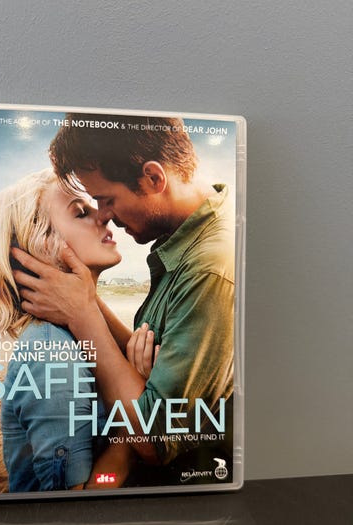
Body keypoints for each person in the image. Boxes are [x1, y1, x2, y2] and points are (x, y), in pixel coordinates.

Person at [12, 113, 235, 485]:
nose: (104, 215)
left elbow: (155, 438)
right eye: (86, 208)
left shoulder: (209, 267)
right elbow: (174, 352)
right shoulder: (191, 236)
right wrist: (85, 302)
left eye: (106, 199)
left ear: (153, 178)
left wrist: (84, 315)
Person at [0, 168, 122, 492]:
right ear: (41, 245)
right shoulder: (50, 352)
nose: (105, 214)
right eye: (80, 212)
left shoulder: (83, 329)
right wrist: (133, 432)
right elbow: (72, 503)